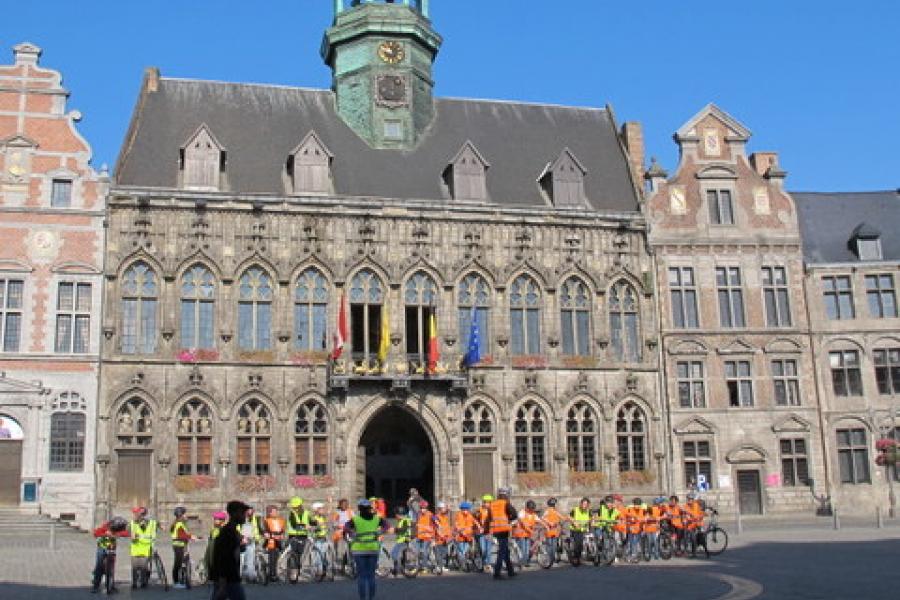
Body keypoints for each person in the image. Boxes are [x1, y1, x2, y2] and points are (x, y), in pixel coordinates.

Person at [345, 498, 387, 600]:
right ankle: (371, 597)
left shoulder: (355, 519)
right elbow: (387, 525)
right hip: (373, 549)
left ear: (359, 508)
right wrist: (380, 532)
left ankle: (363, 598)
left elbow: (346, 527)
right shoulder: (377, 518)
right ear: (369, 508)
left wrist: (352, 533)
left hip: (359, 550)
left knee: (362, 576)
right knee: (371, 575)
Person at [209, 500, 249, 600]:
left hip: (229, 576)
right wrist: (222, 581)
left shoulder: (232, 531)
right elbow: (222, 557)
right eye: (242, 513)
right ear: (235, 513)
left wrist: (240, 546)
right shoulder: (228, 532)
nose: (245, 516)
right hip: (228, 577)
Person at [91, 516, 129, 593]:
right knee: (99, 566)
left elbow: (125, 533)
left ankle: (110, 584)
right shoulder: (105, 526)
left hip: (112, 548)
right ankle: (96, 585)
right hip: (102, 547)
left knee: (111, 567)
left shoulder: (119, 528)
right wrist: (105, 534)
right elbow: (96, 533)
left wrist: (121, 534)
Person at [486, 487, 517, 579]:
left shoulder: (492, 504)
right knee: (502, 552)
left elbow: (489, 518)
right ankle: (497, 572)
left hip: (495, 530)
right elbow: (514, 514)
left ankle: (510, 571)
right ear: (506, 495)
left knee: (505, 550)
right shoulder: (506, 503)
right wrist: (509, 520)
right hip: (504, 529)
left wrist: (488, 531)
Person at [129, 506, 158, 589]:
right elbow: (129, 532)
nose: (139, 515)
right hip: (135, 547)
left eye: (141, 514)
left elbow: (155, 530)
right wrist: (131, 535)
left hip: (146, 547)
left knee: (143, 567)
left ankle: (143, 582)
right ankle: (134, 583)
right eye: (138, 513)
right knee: (134, 567)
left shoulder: (152, 523)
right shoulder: (133, 523)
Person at [170, 506, 195, 589]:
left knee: (181, 563)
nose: (186, 516)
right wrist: (192, 537)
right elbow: (181, 535)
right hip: (179, 546)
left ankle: (182, 579)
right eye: (185, 514)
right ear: (181, 515)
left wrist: (192, 536)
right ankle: (176, 582)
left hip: (180, 545)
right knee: (178, 564)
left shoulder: (179, 523)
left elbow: (185, 534)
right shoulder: (179, 524)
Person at [262, 505, 286, 583]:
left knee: (277, 558)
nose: (275, 513)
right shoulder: (266, 520)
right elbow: (265, 530)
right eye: (274, 511)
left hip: (279, 540)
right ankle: (272, 575)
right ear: (269, 513)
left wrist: (282, 534)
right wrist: (272, 536)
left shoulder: (281, 520)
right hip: (271, 541)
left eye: (276, 511)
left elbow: (282, 529)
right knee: (272, 558)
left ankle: (275, 573)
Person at [240, 505, 263, 582]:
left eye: (251, 510)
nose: (250, 512)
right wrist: (241, 538)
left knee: (251, 560)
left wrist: (263, 534)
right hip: (242, 542)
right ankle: (241, 576)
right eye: (248, 510)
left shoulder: (256, 518)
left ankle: (252, 577)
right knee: (242, 560)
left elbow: (259, 528)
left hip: (252, 541)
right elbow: (237, 530)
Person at [203, 511, 228, 581]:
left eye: (216, 519)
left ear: (222, 520)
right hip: (212, 549)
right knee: (209, 562)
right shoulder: (214, 529)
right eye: (214, 519)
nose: (214, 520)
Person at [513, 500, 538, 566]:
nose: (532, 510)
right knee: (523, 549)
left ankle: (525, 562)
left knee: (527, 549)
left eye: (533, 509)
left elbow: (539, 520)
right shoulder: (521, 513)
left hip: (527, 534)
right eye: (530, 508)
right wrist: (531, 531)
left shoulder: (533, 514)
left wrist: (546, 526)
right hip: (520, 534)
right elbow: (524, 524)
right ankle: (522, 562)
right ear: (527, 508)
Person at [569, 497, 591, 566]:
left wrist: (592, 521)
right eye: (584, 504)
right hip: (575, 529)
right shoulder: (575, 510)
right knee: (578, 543)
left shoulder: (588, 511)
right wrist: (574, 522)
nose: (585, 506)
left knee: (584, 543)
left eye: (586, 504)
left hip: (584, 529)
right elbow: (569, 516)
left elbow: (592, 517)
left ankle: (584, 555)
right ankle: (576, 557)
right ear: (581, 504)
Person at [390, 505, 412, 576]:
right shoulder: (402, 520)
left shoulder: (405, 520)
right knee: (402, 555)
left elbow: (403, 529)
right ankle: (400, 569)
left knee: (394, 554)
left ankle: (397, 569)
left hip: (403, 540)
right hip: (402, 540)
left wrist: (395, 529)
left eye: (396, 514)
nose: (395, 516)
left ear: (399, 514)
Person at [542, 498, 563, 566]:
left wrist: (568, 519)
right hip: (549, 530)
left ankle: (552, 560)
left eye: (553, 505)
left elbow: (561, 518)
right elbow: (543, 518)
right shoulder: (547, 511)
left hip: (555, 531)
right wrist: (549, 522)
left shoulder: (555, 511)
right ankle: (549, 560)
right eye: (552, 505)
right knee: (550, 546)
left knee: (553, 546)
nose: (553, 506)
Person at [414, 500, 436, 565]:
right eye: (421, 508)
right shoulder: (418, 514)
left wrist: (438, 523)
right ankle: (417, 566)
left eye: (424, 508)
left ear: (427, 508)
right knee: (417, 551)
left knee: (425, 551)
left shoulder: (430, 514)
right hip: (419, 535)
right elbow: (416, 523)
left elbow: (435, 520)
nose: (422, 510)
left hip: (427, 536)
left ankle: (424, 566)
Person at [475, 494, 493, 570]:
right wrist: (478, 526)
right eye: (485, 502)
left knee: (488, 550)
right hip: (481, 533)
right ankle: (484, 562)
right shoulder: (479, 510)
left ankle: (487, 564)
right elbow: (475, 519)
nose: (486, 504)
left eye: (488, 502)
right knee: (483, 549)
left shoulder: (492, 511)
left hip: (489, 533)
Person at [433, 501, 453, 568]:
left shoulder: (444, 515)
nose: (445, 509)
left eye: (444, 508)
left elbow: (447, 511)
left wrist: (448, 507)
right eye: (443, 508)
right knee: (439, 553)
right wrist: (438, 524)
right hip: (439, 538)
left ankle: (441, 566)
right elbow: (434, 518)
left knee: (444, 553)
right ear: (440, 509)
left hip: (446, 538)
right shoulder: (437, 516)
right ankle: (439, 566)